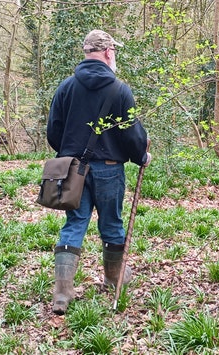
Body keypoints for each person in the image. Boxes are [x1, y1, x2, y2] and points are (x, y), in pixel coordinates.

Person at [46, 29, 151, 315]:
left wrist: (72, 153)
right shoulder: (120, 90)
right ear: (107, 52)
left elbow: (53, 132)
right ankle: (113, 278)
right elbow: (131, 135)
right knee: (112, 224)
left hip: (73, 170)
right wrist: (141, 155)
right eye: (113, 51)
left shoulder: (66, 87)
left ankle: (62, 293)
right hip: (109, 170)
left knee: (74, 224)